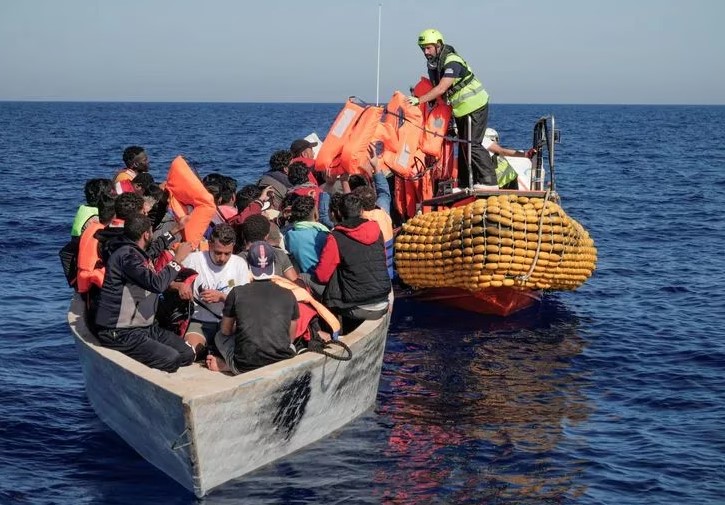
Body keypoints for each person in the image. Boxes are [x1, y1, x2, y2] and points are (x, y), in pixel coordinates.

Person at [93, 214, 196, 373]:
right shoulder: (126, 257)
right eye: (151, 232)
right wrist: (177, 260)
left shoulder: (135, 251)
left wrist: (175, 230)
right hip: (119, 332)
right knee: (171, 359)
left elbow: (153, 250)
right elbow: (156, 284)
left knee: (187, 354)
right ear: (146, 234)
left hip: (145, 328)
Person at [407, 29, 496, 190]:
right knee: (463, 145)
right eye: (423, 48)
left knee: (473, 144)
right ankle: (464, 183)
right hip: (461, 109)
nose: (425, 52)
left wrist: (419, 100)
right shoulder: (434, 64)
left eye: (428, 48)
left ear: (438, 45)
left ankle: (489, 182)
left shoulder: (451, 61)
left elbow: (442, 88)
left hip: (476, 104)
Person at [206, 241, 298, 374]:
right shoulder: (289, 294)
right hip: (281, 360)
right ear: (272, 264)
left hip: (245, 365)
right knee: (291, 346)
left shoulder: (236, 293)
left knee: (220, 336)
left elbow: (226, 331)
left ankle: (229, 366)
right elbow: (290, 338)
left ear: (249, 265)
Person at [314, 194, 390, 331]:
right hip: (383, 299)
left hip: (357, 306)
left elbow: (322, 276)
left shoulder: (336, 237)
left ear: (337, 213)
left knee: (313, 279)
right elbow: (382, 259)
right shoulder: (377, 230)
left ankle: (330, 331)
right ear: (361, 211)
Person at [177, 223, 250, 350]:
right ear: (210, 245)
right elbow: (169, 281)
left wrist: (222, 297)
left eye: (227, 253)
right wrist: (181, 286)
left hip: (228, 323)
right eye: (218, 252)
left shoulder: (240, 264)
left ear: (233, 247)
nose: (222, 258)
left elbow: (244, 303)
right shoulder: (194, 260)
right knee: (190, 351)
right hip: (199, 321)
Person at [239, 214, 298, 281]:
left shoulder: (237, 260)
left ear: (243, 235)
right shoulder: (279, 254)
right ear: (267, 236)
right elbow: (294, 281)